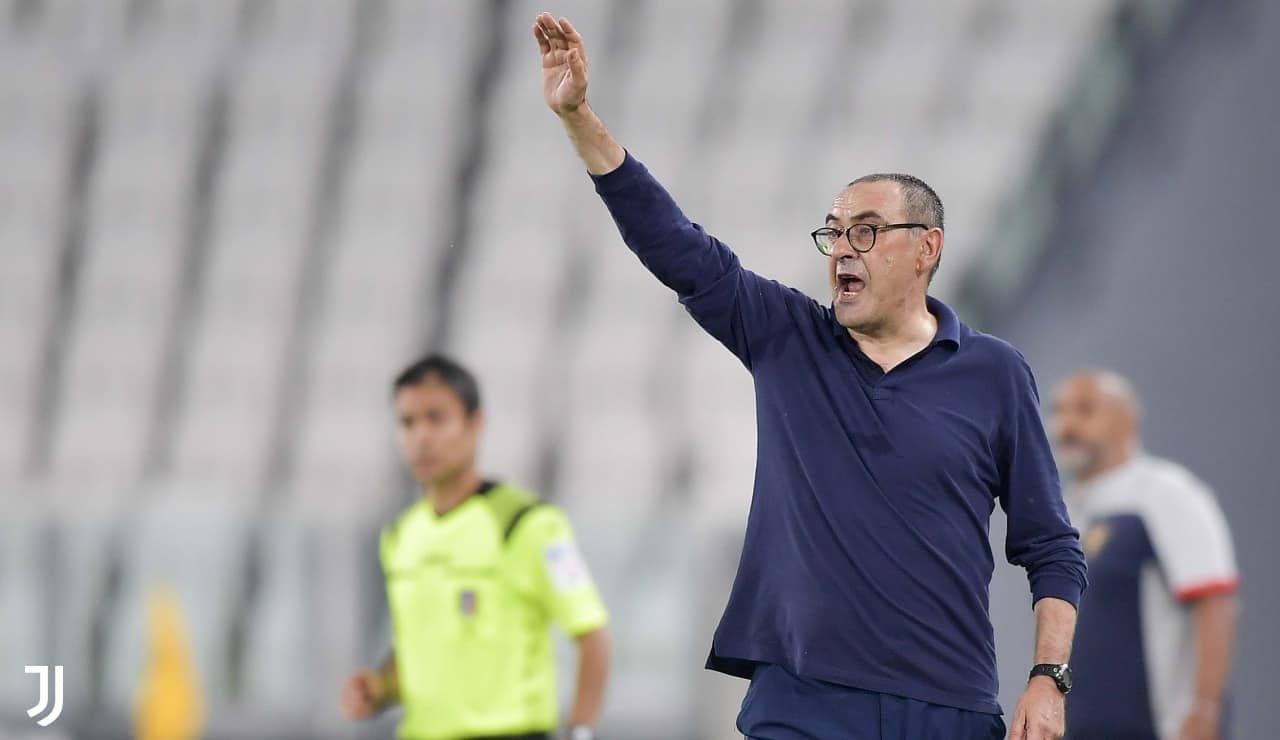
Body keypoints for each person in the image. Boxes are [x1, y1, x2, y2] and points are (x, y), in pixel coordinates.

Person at [532, 13, 1086, 740]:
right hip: (802, 705)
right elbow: (675, 245)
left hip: (947, 707)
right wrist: (579, 118)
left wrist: (1048, 677)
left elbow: (1051, 545)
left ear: (927, 249)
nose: (842, 250)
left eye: (866, 231)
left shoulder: (995, 373)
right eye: (834, 233)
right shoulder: (787, 337)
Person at [341, 355, 611, 740]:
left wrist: (580, 733)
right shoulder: (401, 535)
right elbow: (419, 649)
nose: (422, 437)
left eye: (436, 418)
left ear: (475, 423)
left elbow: (592, 637)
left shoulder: (524, 523)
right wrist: (381, 689)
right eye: (408, 422)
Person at [1052, 371, 1238, 740]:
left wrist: (1205, 710)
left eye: (1085, 410)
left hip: (1157, 726)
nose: (1067, 425)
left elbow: (1214, 600)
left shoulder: (1166, 493)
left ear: (1126, 422)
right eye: (1059, 411)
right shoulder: (1069, 509)